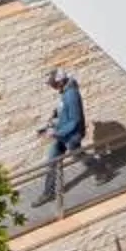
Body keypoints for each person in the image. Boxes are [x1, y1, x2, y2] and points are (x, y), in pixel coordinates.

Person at [39, 68, 88, 204]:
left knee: (79, 156)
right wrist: (56, 113)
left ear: (60, 82)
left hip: (72, 136)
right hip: (62, 135)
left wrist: (55, 133)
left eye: (53, 84)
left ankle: (102, 171)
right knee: (52, 161)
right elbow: (65, 109)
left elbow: (75, 120)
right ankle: (48, 193)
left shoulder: (71, 95)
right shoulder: (65, 92)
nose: (52, 87)